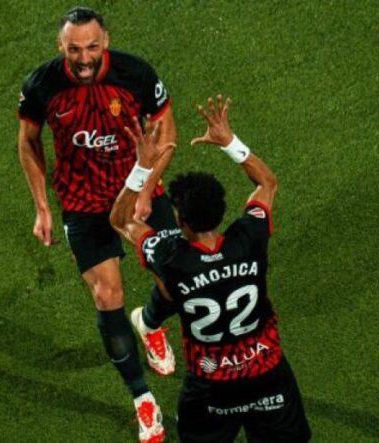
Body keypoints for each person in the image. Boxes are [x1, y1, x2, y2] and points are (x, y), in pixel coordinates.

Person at [16, 6, 177, 443]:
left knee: (174, 282)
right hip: (83, 203)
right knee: (107, 296)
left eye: (91, 47)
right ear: (60, 46)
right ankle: (142, 398)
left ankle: (150, 322)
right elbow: (28, 141)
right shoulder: (41, 85)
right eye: (74, 49)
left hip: (138, 189)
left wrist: (146, 189)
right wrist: (42, 207)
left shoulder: (135, 74)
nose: (83, 58)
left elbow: (166, 131)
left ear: (105, 41)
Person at [110, 95, 312, 442]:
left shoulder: (170, 256)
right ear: (221, 212)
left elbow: (121, 219)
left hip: (211, 389)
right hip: (268, 377)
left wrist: (142, 168)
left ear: (180, 221)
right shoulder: (249, 236)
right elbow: (267, 183)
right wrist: (229, 141)